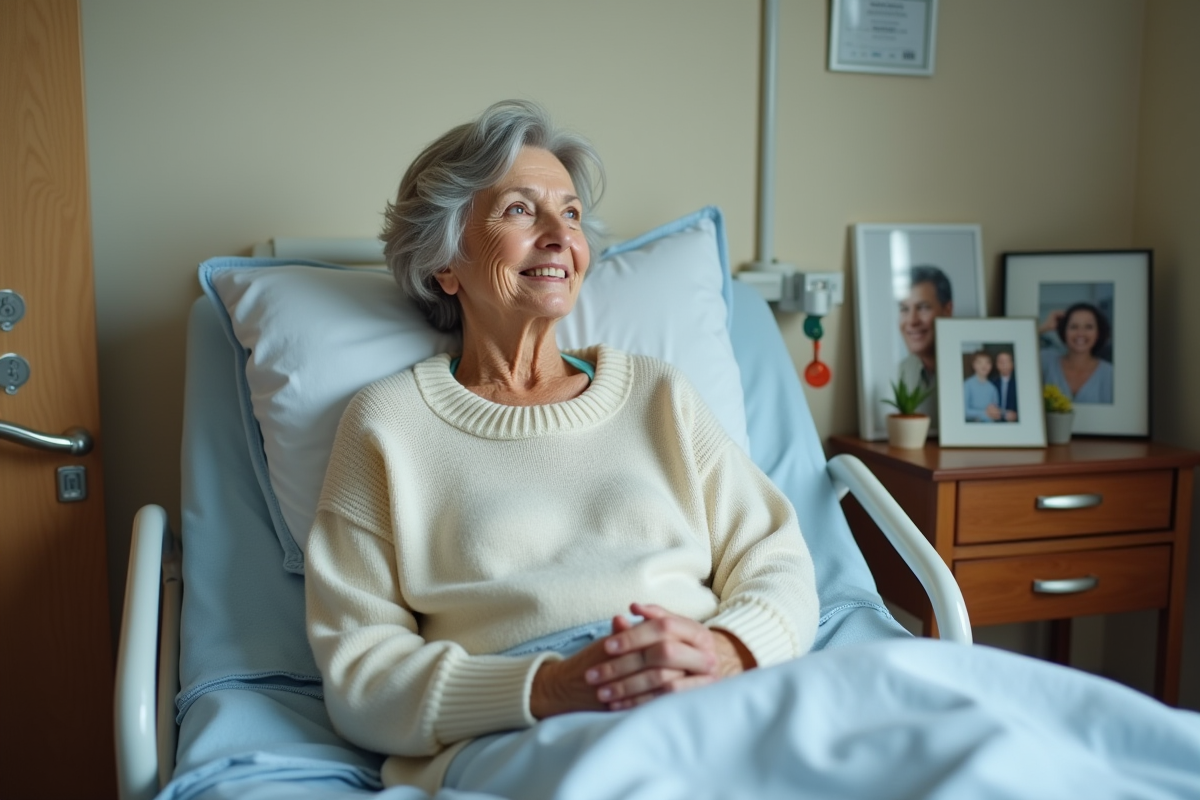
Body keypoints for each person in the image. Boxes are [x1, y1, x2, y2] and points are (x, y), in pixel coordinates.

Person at [303, 100, 819, 794]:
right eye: (520, 210)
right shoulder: (387, 426)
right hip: (526, 728)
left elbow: (777, 560)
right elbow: (362, 674)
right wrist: (549, 688)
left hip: (707, 691)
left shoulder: (657, 395)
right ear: (444, 263)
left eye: (570, 215)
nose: (558, 236)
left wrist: (726, 651)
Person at [896, 265, 953, 421]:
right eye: (904, 309)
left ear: (947, 310)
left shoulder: (967, 369)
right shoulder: (901, 371)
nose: (912, 321)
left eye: (923, 308)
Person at [1038, 303, 1114, 404]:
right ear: (1064, 331)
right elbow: (1017, 348)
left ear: (1098, 333)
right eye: (1074, 327)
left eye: (1089, 327)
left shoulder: (1110, 374)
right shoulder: (1045, 360)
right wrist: (1043, 327)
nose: (1080, 333)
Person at [963, 351, 999, 423]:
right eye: (979, 362)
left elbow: (995, 410)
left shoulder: (992, 388)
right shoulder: (967, 385)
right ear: (973, 365)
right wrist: (984, 414)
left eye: (987, 362)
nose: (984, 366)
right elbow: (964, 411)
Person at [987, 350, 1018, 422]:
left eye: (1006, 361)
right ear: (996, 364)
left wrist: (1017, 415)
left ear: (1012, 363)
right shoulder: (991, 383)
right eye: (1000, 362)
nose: (1003, 364)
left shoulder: (1019, 383)